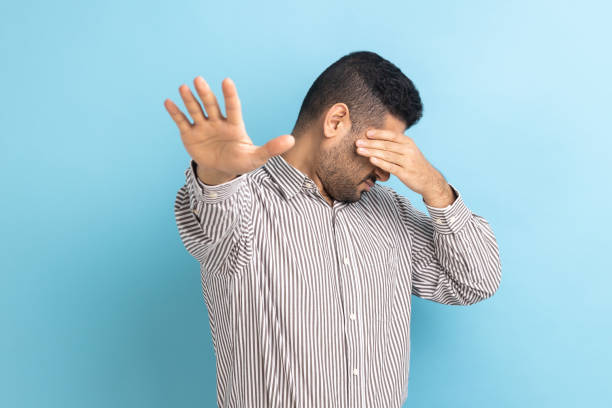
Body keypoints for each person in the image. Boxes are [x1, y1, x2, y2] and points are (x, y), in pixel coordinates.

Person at [165, 50, 502, 408]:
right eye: (381, 149)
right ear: (336, 121)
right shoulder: (245, 204)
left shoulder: (392, 212)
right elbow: (214, 215)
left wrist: (435, 187)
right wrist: (216, 173)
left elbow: (475, 281)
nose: (386, 172)